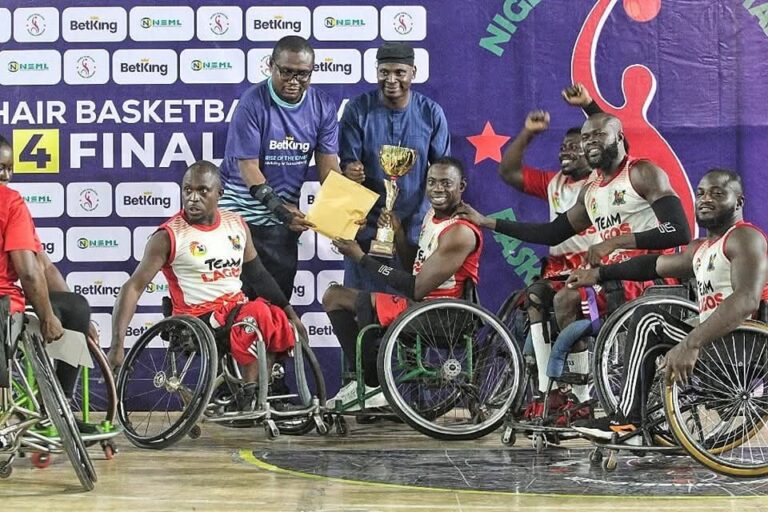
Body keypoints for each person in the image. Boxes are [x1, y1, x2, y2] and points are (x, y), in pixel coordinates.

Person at [566, 169, 768, 439]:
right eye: (701, 194)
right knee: (649, 317)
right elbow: (653, 265)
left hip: (743, 354)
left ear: (739, 202)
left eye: (717, 193)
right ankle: (635, 419)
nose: (706, 199)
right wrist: (599, 273)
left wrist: (690, 343)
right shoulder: (702, 247)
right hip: (719, 346)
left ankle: (626, 421)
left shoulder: (744, 238)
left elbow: (747, 300)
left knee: (649, 320)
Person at [108, 161, 306, 410]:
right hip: (197, 318)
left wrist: (290, 313)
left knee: (274, 315)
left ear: (219, 193)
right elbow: (133, 287)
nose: (193, 198)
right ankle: (250, 396)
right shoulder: (168, 236)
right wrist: (117, 344)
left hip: (235, 310)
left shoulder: (236, 224)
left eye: (203, 191)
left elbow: (258, 275)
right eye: (187, 190)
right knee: (256, 314)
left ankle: (261, 392)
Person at [323, 157, 482, 410]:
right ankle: (370, 382)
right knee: (335, 295)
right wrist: (398, 234)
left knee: (340, 298)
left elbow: (416, 288)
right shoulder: (433, 216)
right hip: (422, 307)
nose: (437, 189)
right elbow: (414, 267)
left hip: (441, 315)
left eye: (446, 183)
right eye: (432, 182)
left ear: (461, 186)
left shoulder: (459, 232)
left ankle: (371, 384)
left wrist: (361, 258)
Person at [495, 106, 598, 420]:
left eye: (574, 147)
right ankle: (546, 391)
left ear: (593, 151)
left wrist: (589, 106)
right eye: (563, 147)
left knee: (567, 301)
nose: (565, 152)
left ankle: (582, 398)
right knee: (534, 297)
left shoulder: (602, 183)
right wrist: (528, 133)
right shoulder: (555, 183)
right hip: (557, 269)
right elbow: (508, 172)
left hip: (591, 271)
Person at [220, 35, 340, 300]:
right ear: (270, 66)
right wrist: (280, 209)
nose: (294, 81)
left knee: (276, 308)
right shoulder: (252, 103)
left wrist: (346, 212)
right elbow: (248, 169)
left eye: (302, 74)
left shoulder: (323, 106)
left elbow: (329, 167)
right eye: (286, 72)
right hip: (239, 219)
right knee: (233, 309)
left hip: (281, 224)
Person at [1, 135, 97, 426]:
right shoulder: (10, 202)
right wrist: (47, 317)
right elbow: (30, 272)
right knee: (75, 308)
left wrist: (76, 318)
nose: (6, 175)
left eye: (9, 168)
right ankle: (59, 410)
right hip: (3, 311)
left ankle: (55, 408)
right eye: (0, 168)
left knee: (74, 307)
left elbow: (43, 264)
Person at [340, 41, 451, 292]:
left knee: (409, 303)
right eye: (384, 72)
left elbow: (443, 171)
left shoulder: (431, 113)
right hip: (366, 227)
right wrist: (351, 170)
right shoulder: (357, 110)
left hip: (415, 229)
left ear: (413, 72)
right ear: (376, 72)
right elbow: (347, 165)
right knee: (361, 303)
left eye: (399, 72)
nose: (391, 80)